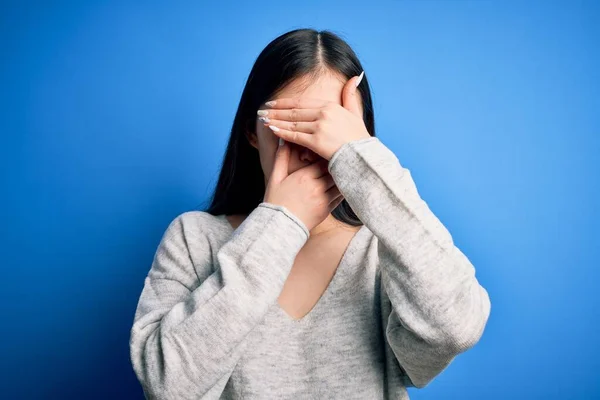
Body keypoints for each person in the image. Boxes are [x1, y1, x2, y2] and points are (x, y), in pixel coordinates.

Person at [129, 28, 491, 399]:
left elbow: (456, 326)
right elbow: (167, 385)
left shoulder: (382, 250)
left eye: (327, 127)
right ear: (252, 133)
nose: (310, 148)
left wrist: (362, 163)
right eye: (291, 124)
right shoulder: (194, 239)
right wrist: (280, 221)